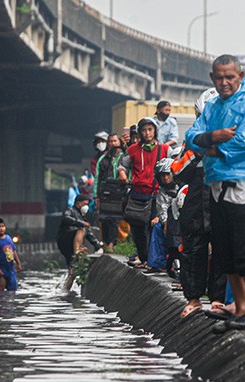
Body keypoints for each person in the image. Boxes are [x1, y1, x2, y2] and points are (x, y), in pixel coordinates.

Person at [185, 55, 245, 330]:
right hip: (216, 184)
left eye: (230, 77)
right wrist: (213, 136)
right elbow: (191, 136)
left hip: (243, 185)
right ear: (212, 78)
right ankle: (240, 307)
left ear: (240, 76)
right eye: (219, 78)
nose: (224, 82)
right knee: (225, 251)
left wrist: (209, 147)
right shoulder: (212, 107)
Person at [175, 88, 228, 318]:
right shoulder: (191, 144)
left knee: (222, 251)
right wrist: (197, 150)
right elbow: (178, 173)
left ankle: (217, 299)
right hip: (196, 206)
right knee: (193, 251)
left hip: (222, 202)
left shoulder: (231, 139)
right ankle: (194, 298)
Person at [118, 118, 170, 267]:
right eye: (144, 130)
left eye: (150, 129)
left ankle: (155, 261)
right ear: (140, 132)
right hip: (137, 195)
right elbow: (122, 165)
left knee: (154, 228)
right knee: (137, 229)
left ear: (155, 131)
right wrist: (121, 172)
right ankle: (144, 258)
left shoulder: (165, 149)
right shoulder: (132, 149)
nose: (147, 133)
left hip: (157, 194)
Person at [58, 194, 102, 291]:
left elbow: (89, 233)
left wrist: (97, 245)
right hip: (65, 239)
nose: (86, 207)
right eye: (84, 204)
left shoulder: (83, 217)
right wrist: (81, 223)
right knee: (81, 229)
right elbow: (66, 218)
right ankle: (77, 250)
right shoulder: (70, 210)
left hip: (72, 242)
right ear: (78, 203)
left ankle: (66, 289)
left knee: (72, 268)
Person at [95, 134, 125, 251]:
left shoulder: (125, 157)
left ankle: (113, 244)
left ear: (119, 142)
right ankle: (107, 243)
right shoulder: (103, 159)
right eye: (110, 141)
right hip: (105, 194)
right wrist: (96, 196)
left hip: (120, 193)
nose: (113, 143)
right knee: (105, 219)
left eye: (115, 141)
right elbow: (97, 178)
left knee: (116, 220)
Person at [0, 217, 22, 292]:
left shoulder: (8, 238)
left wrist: (18, 263)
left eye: (3, 226)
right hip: (1, 268)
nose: (1, 229)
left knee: (13, 290)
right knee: (2, 285)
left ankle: (8, 303)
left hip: (10, 269)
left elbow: (13, 251)